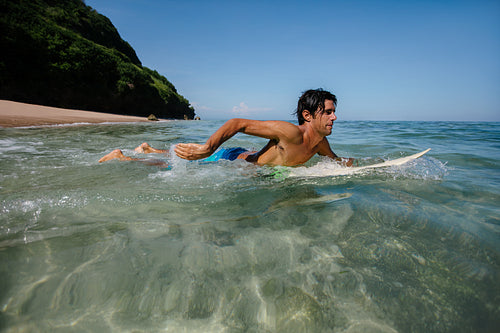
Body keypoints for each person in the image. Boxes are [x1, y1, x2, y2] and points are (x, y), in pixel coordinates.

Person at [99, 89, 353, 167]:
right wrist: (208, 148)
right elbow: (237, 123)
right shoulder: (289, 132)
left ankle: (148, 147)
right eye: (328, 112)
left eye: (333, 111)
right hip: (230, 159)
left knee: (174, 159)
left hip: (247, 154)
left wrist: (350, 164)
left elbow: (335, 162)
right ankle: (123, 157)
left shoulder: (320, 143)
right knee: (175, 165)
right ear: (307, 115)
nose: (334, 117)